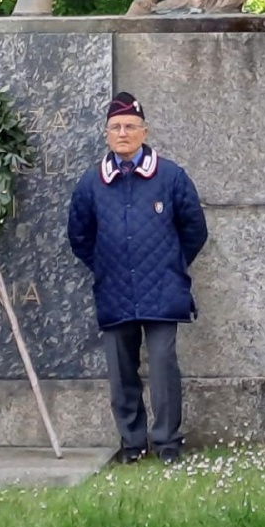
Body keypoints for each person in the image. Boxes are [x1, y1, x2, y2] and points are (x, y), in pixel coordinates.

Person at [67, 92, 208, 463]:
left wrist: (171, 264)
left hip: (163, 288)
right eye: (116, 127)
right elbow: (79, 236)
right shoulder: (90, 183)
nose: (123, 133)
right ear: (106, 134)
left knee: (163, 366)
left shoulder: (172, 176)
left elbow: (194, 230)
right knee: (121, 371)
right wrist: (105, 265)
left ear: (144, 131)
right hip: (113, 289)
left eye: (130, 126)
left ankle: (166, 442)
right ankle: (132, 443)